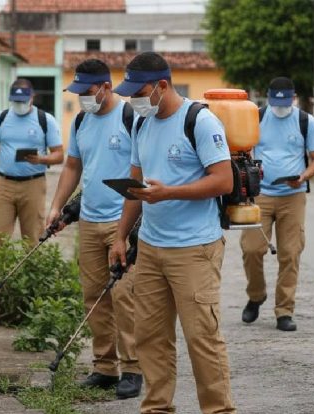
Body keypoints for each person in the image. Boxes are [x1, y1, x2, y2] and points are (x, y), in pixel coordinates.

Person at [110, 52, 236, 414]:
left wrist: (169, 192)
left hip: (195, 249)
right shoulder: (140, 123)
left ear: (162, 86)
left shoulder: (200, 121)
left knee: (202, 339)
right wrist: (121, 237)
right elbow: (135, 186)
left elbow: (223, 180)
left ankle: (219, 410)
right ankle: (157, 408)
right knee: (150, 337)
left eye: (139, 91)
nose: (133, 99)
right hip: (150, 247)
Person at [48, 59, 142, 399]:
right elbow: (72, 166)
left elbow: (142, 171)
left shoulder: (132, 118)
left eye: (86, 92)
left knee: (124, 296)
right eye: (77, 92)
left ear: (105, 86)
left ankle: (133, 369)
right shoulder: (82, 120)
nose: (82, 98)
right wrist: (58, 205)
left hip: (125, 223)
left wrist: (130, 228)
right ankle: (105, 367)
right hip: (89, 221)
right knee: (94, 297)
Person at [239, 76, 314, 331]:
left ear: (294, 98)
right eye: (276, 101)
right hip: (261, 195)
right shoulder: (255, 117)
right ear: (268, 97)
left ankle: (284, 310)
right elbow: (244, 150)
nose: (280, 106)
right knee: (251, 248)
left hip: (292, 196)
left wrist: (304, 176)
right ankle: (256, 295)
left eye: (285, 101)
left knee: (290, 253)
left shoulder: (305, 121)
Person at [0, 79, 63, 246]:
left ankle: (30, 270)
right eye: (15, 101)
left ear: (32, 97)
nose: (19, 104)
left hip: (33, 184)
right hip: (3, 183)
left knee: (33, 237)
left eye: (23, 101)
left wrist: (41, 159)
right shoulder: (1, 118)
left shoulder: (45, 120)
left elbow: (59, 154)